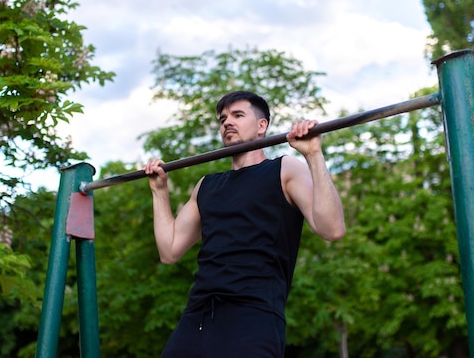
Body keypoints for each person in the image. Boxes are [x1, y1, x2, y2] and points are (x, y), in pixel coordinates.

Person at [144, 91, 346, 358]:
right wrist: (160, 191)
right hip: (199, 315)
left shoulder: (284, 169)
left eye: (238, 115)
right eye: (223, 118)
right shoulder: (207, 185)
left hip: (254, 316)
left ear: (262, 126)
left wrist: (314, 155)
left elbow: (332, 229)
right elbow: (169, 251)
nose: (227, 122)